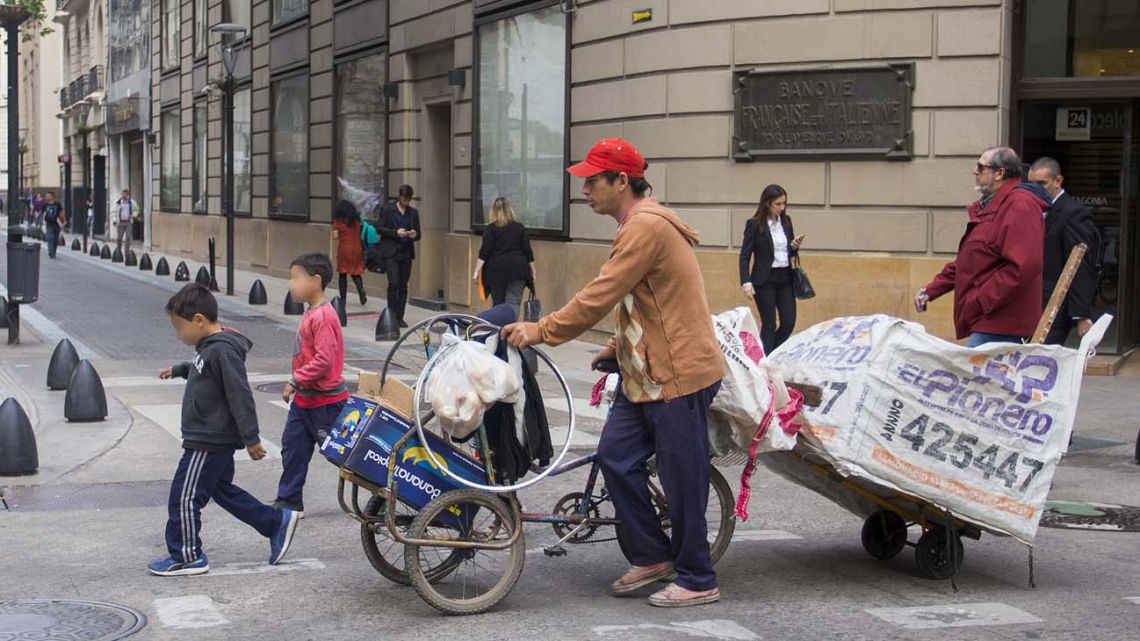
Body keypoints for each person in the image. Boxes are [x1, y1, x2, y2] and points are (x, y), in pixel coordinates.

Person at [502, 138, 724, 607]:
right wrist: (614, 347)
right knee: (615, 456)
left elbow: (600, 294)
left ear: (622, 181)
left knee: (681, 478)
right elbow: (641, 300)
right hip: (645, 372)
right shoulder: (635, 224)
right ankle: (651, 556)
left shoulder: (645, 226)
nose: (584, 189)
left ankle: (698, 578)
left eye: (592, 179)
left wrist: (540, 330)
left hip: (678, 374)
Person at [150, 284, 300, 576]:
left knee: (184, 495)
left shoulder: (223, 351)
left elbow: (239, 394)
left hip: (208, 439)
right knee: (222, 491)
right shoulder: (209, 348)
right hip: (208, 436)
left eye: (179, 328)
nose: (178, 335)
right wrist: (181, 369)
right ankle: (273, 523)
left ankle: (187, 555)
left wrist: (251, 438)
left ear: (198, 320)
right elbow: (203, 368)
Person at [914, 147, 1050, 347]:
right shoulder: (991, 205)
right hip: (989, 320)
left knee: (971, 375)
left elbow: (1023, 266)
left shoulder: (1020, 205)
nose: (975, 172)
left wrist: (981, 300)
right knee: (974, 376)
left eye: (980, 167)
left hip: (1003, 323)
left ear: (999, 173)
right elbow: (970, 261)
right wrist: (931, 290)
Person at [275, 253, 349, 516]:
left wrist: (295, 380)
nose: (290, 284)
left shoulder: (324, 317)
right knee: (293, 448)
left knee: (343, 454)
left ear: (315, 281)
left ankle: (382, 491)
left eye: (295, 278)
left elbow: (325, 360)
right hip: (305, 401)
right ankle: (289, 500)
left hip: (326, 403)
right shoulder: (311, 314)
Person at [1027, 157, 1098, 345]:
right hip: (1030, 301)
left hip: (1054, 305)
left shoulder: (1073, 213)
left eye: (1042, 183)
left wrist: (1082, 313)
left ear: (1057, 181)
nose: (1036, 189)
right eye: (1031, 184)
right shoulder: (1031, 210)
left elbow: (1080, 263)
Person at [738, 184, 804, 355]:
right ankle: (766, 363)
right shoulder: (754, 225)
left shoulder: (787, 222)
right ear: (767, 204)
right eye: (778, 204)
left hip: (785, 278)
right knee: (769, 324)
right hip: (764, 280)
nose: (782, 208)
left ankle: (768, 354)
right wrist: (746, 281)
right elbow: (745, 255)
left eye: (784, 204)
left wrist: (794, 246)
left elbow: (789, 252)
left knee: (789, 322)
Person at [473, 197, 537, 309]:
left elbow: (484, 252)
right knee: (513, 303)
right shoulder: (519, 228)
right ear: (510, 210)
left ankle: (500, 326)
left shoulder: (490, 229)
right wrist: (533, 271)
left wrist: (476, 271)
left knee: (498, 305)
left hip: (496, 271)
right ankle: (511, 326)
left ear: (493, 211)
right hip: (518, 269)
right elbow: (528, 252)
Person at [377, 185, 421, 328]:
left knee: (403, 285)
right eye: (404, 199)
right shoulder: (388, 210)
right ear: (399, 197)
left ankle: (400, 316)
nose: (406, 202)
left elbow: (419, 233)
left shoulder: (413, 213)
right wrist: (396, 232)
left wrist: (414, 234)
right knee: (393, 283)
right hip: (391, 252)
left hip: (406, 252)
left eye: (408, 200)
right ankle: (391, 314)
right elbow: (380, 228)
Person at [331, 200, 367, 306]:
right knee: (355, 272)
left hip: (344, 249)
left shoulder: (339, 222)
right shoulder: (356, 221)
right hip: (357, 249)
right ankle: (361, 290)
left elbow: (335, 236)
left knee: (343, 274)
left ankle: (343, 299)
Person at [114, 189, 140, 254]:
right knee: (119, 238)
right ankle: (119, 250)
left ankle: (126, 252)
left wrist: (133, 215)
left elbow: (137, 210)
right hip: (120, 222)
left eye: (125, 194)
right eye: (122, 194)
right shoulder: (118, 203)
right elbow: (113, 212)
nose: (123, 196)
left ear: (127, 195)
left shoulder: (132, 202)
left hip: (128, 222)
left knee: (128, 237)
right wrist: (114, 220)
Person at [42, 192, 66, 259]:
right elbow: (43, 214)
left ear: (53, 196)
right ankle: (50, 252)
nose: (47, 197)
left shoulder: (57, 204)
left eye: (49, 196)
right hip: (49, 223)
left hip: (57, 223)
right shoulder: (45, 205)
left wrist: (64, 220)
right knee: (50, 237)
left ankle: (53, 251)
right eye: (46, 196)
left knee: (55, 239)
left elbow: (61, 212)